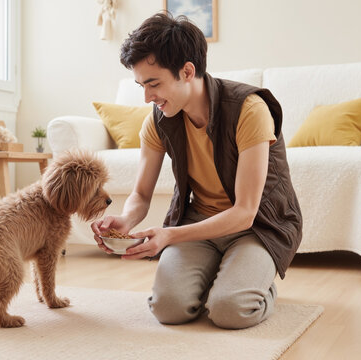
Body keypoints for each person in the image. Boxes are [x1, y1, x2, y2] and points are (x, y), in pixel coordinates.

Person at [91, 13, 302, 330]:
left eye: (154, 84)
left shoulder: (249, 110)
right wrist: (126, 219)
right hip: (198, 222)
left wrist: (168, 236)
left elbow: (245, 212)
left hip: (256, 227)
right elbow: (141, 194)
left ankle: (255, 285)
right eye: (141, 85)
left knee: (230, 310)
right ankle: (223, 275)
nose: (147, 97)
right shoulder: (159, 119)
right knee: (168, 308)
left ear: (187, 71)